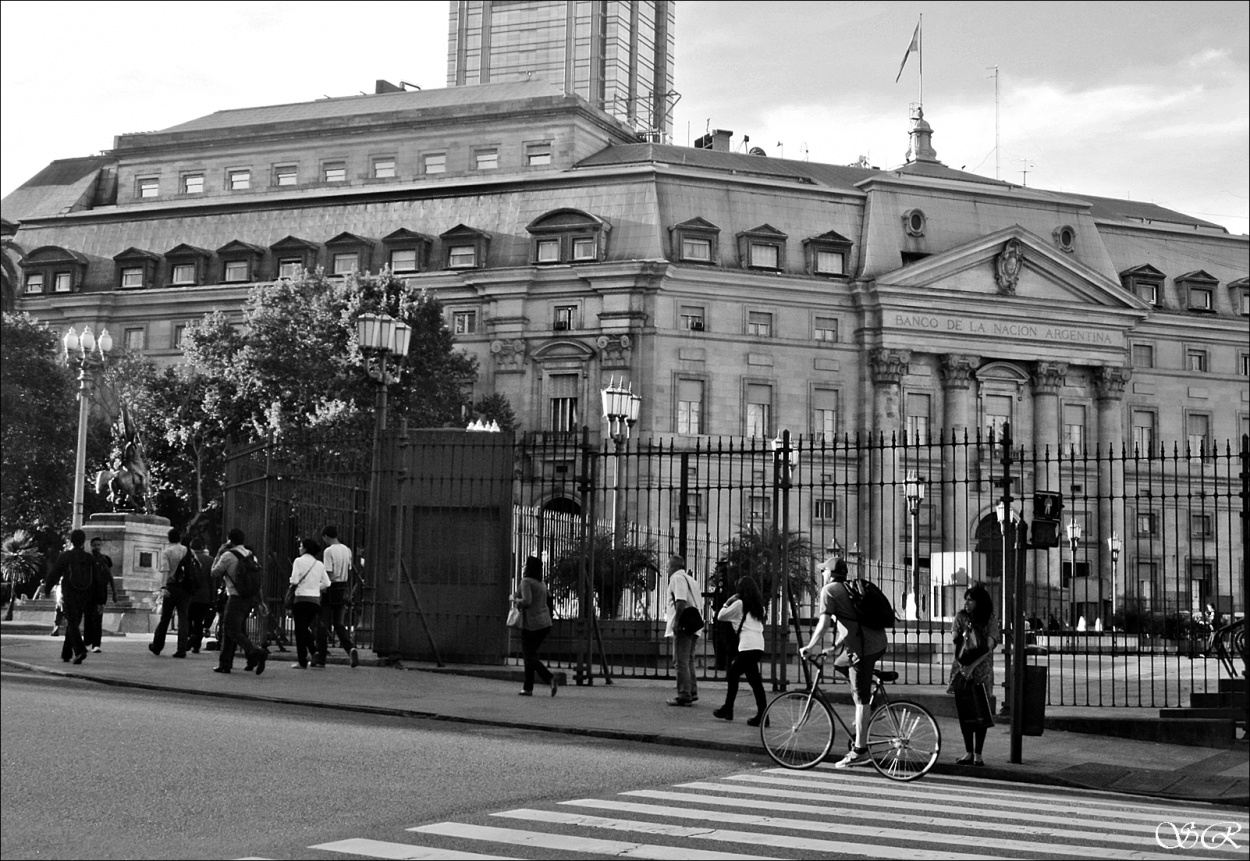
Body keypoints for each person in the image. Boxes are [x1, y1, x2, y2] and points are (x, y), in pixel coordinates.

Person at [801, 556, 888, 768]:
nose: (821, 574)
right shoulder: (847, 588)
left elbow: (823, 624)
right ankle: (871, 700)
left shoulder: (829, 591)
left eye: (823, 571)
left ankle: (860, 750)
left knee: (860, 699)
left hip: (863, 649)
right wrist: (833, 648)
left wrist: (810, 646)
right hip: (875, 642)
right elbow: (851, 624)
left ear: (830, 574)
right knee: (840, 664)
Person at [948, 583, 999, 766]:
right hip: (962, 668)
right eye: (966, 600)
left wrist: (970, 667)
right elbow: (955, 643)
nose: (967, 603)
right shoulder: (961, 618)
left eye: (971, 600)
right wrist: (964, 666)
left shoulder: (990, 619)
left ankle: (978, 753)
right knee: (965, 711)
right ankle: (968, 751)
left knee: (981, 711)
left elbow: (989, 647)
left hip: (981, 670)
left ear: (980, 602)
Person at [210, 528, 269, 676]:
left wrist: (218, 553)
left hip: (235, 597)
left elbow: (214, 573)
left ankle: (255, 652)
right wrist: (261, 602)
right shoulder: (251, 556)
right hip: (249, 598)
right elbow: (257, 582)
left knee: (230, 629)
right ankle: (225, 663)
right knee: (233, 630)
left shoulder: (227, 556)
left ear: (230, 540)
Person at [712, 575, 768, 726]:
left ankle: (728, 708)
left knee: (733, 673)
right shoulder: (759, 606)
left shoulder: (739, 604)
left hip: (747, 647)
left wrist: (727, 602)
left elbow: (721, 616)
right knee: (754, 681)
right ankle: (763, 715)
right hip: (758, 646)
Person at [46, 529, 97, 664]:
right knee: (74, 622)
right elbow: (96, 579)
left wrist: (47, 588)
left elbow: (54, 573)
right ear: (83, 541)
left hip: (69, 593)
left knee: (72, 623)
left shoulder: (66, 556)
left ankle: (80, 650)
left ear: (71, 540)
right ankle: (66, 653)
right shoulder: (89, 558)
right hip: (85, 594)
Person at [512, 555, 556, 696]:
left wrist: (517, 601)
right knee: (530, 655)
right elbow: (549, 597)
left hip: (531, 624)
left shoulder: (526, 582)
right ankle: (528, 687)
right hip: (545, 623)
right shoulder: (541, 583)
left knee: (529, 656)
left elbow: (527, 601)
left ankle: (549, 677)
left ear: (528, 567)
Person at [316, 525, 359, 668]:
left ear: (326, 537)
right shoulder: (347, 550)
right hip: (343, 587)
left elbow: (328, 572)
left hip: (331, 588)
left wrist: (321, 587)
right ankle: (350, 648)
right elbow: (349, 569)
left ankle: (321, 656)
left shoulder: (328, 551)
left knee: (322, 623)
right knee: (339, 623)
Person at [149, 528, 192, 658]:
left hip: (172, 587)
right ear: (179, 538)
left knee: (165, 617)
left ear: (169, 539)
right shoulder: (187, 550)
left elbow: (165, 570)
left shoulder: (167, 552)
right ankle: (182, 648)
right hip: (186, 588)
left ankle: (157, 645)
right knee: (183, 618)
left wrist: (163, 587)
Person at [664, 554, 700, 707]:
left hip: (684, 625)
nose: (667, 570)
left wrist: (676, 622)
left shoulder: (677, 579)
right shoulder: (691, 580)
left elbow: (681, 601)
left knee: (680, 661)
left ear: (675, 567)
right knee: (689, 660)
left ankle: (684, 694)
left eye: (669, 567)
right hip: (694, 624)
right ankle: (692, 691)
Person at [289, 538, 330, 669]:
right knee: (304, 628)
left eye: (301, 546)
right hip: (315, 601)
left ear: (305, 548)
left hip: (301, 599)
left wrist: (294, 581)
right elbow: (327, 583)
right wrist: (315, 587)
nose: (299, 548)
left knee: (300, 631)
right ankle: (314, 651)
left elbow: (294, 580)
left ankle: (302, 659)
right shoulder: (319, 564)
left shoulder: (298, 561)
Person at [84, 536, 116, 653]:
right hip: (88, 592)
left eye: (99, 545)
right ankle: (87, 642)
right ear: (90, 546)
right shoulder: (87, 558)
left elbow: (109, 576)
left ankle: (96, 644)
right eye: (94, 545)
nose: (97, 547)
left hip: (100, 592)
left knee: (97, 618)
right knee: (88, 618)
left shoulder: (105, 559)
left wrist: (114, 591)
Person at [186, 537, 216, 654]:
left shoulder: (188, 559)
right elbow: (212, 580)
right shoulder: (210, 560)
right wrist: (212, 596)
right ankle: (197, 645)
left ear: (191, 547)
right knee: (199, 620)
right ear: (202, 547)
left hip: (190, 594)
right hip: (204, 595)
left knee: (188, 618)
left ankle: (191, 634)